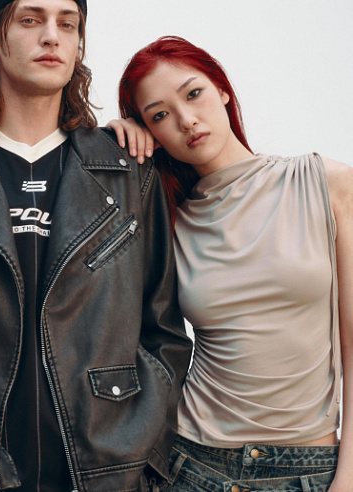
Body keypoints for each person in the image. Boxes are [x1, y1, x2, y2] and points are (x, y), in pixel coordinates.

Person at [0, 1, 193, 491]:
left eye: (68, 23)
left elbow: (164, 335)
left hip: (104, 474)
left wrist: (143, 458)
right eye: (30, 19)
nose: (52, 36)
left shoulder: (129, 173)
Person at [108, 36, 353, 491]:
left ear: (221, 89)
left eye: (193, 93)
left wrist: (349, 477)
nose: (186, 120)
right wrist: (110, 146)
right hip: (193, 463)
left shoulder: (326, 184)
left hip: (308, 469)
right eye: (159, 116)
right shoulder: (169, 221)